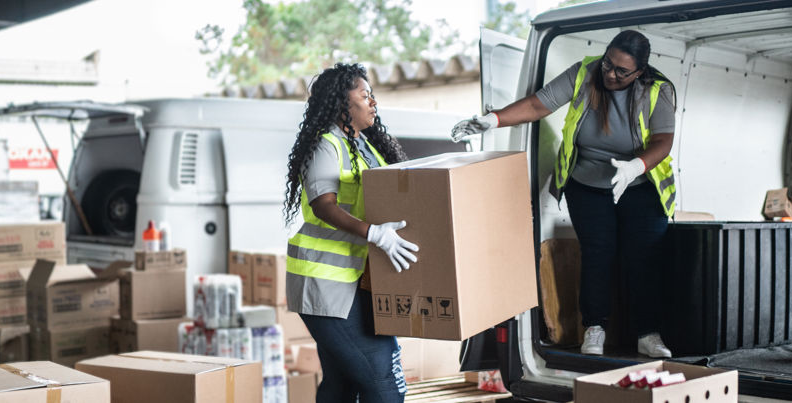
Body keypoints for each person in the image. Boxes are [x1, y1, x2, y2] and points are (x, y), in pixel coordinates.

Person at [451, 30, 677, 358]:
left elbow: (662, 141)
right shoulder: (585, 72)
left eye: (621, 71)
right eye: (608, 64)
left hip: (638, 184)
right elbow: (537, 103)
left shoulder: (658, 90)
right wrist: (493, 119)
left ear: (639, 72)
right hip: (587, 184)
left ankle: (647, 334)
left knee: (643, 258)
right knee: (598, 255)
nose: (610, 74)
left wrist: (634, 168)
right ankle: (595, 329)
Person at [284, 63, 419, 403]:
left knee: (341, 386)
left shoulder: (367, 147)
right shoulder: (326, 145)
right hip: (325, 284)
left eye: (372, 94)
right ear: (342, 103)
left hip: (356, 283)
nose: (373, 101)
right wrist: (375, 234)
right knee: (385, 384)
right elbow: (323, 204)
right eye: (364, 95)